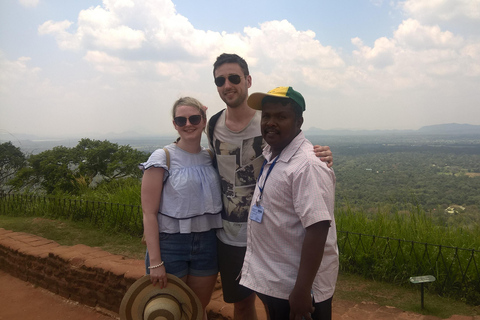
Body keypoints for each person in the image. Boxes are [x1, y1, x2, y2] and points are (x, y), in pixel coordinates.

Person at [208, 53, 334, 320]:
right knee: (248, 303)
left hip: (279, 252)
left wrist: (318, 155)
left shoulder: (282, 141)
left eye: (234, 77)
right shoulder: (217, 126)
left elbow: (317, 224)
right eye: (220, 80)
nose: (227, 84)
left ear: (248, 79)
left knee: (277, 305)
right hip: (237, 237)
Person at [239, 86, 338, 320]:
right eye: (266, 116)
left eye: (281, 116)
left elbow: (317, 228)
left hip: (298, 289)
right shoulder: (273, 151)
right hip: (276, 281)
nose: (270, 122)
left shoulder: (307, 165)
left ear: (299, 122)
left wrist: (302, 291)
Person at [140, 97, 223, 320]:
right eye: (181, 119)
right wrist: (156, 262)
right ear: (175, 124)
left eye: (195, 118)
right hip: (170, 244)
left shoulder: (211, 157)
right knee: (170, 310)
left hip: (206, 243)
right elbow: (148, 213)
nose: (188, 124)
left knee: (196, 308)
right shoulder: (163, 157)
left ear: (203, 121)